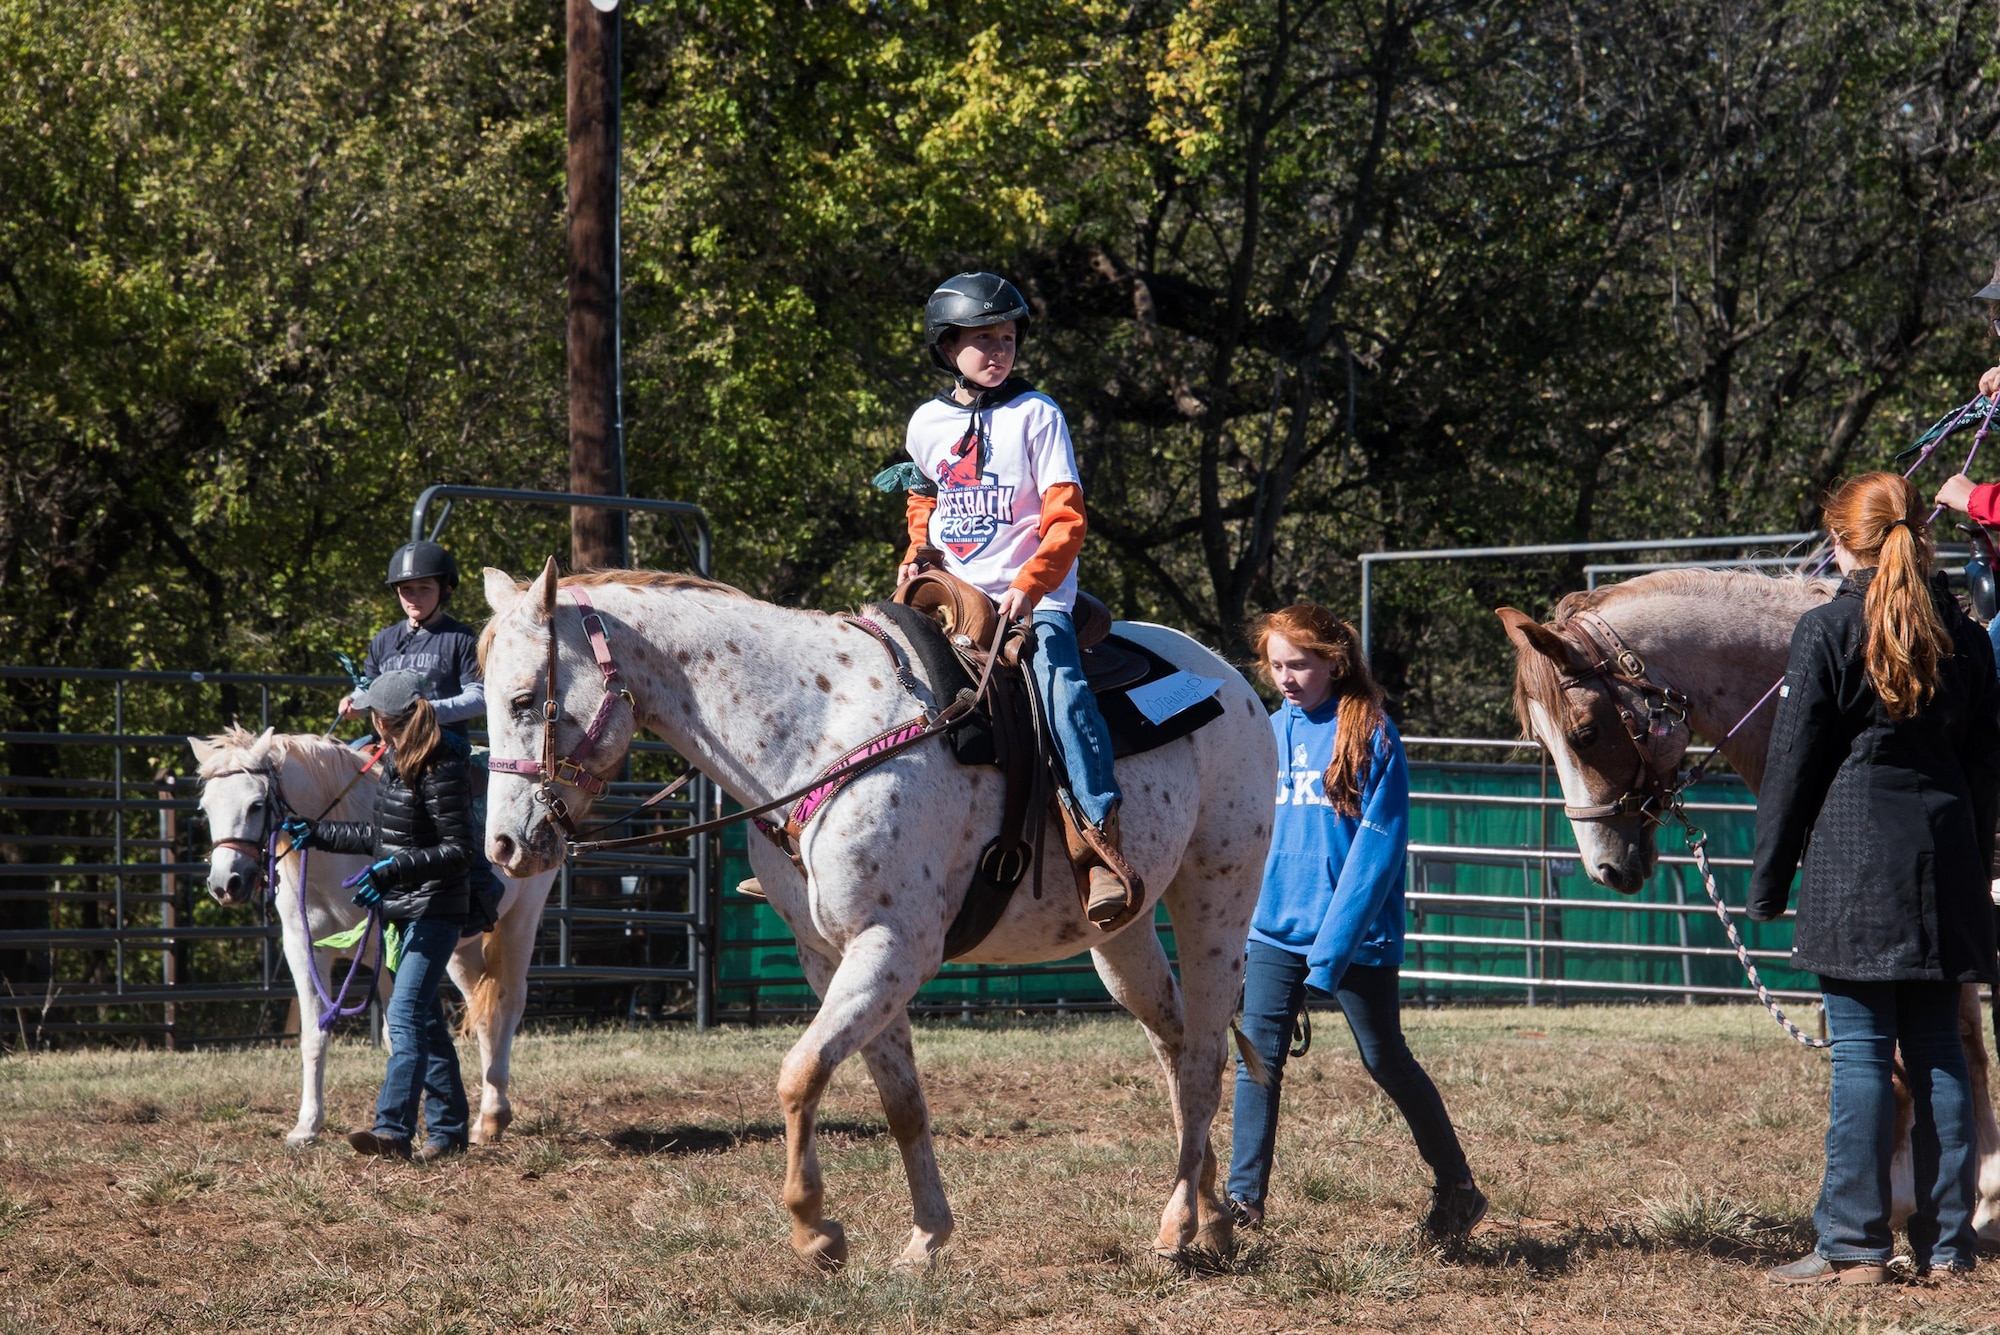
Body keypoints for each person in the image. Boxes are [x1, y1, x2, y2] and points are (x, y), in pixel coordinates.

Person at [1749, 472, 2000, 1286]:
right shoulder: (1968, 636)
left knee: (1859, 1053)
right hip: (1946, 862)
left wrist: (1768, 881)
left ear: (1839, 542)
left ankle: (1852, 1245)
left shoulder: (1825, 630)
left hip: (1855, 865)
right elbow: (1985, 769)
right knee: (1939, 1053)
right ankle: (1950, 1244)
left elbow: (1791, 768)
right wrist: (1978, 861)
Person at [1227, 604, 1485, 1240]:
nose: (1286, 678)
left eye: (1301, 665)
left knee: (1384, 1058)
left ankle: (1457, 1187)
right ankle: (1241, 1206)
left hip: (1353, 937)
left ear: (1334, 663)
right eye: (1276, 665)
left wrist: (1331, 952)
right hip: (1271, 932)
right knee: (1256, 1060)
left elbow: (1378, 852)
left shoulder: (1370, 733)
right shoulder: (1261, 732)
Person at [895, 271, 1138, 927]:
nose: (998, 351)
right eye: (982, 340)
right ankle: (804, 835)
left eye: (1006, 338)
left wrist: (1031, 589)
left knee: (1060, 684)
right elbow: (925, 497)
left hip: (1032, 596)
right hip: (952, 591)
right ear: (948, 348)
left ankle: (1098, 845)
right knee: (866, 662)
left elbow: (1066, 519)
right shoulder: (927, 422)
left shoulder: (1039, 415)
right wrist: (918, 549)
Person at [283, 670, 475, 1162]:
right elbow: (378, 839)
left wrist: (393, 870)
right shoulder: (393, 763)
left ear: (385, 720)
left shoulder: (440, 768)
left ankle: (392, 1131)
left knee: (406, 1014)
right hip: (404, 909)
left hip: (435, 908)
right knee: (427, 1020)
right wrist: (317, 833)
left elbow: (458, 849)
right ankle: (450, 1131)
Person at [340, 541, 485, 743]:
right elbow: (368, 688)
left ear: (445, 590)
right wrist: (354, 703)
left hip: (440, 738)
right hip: (387, 740)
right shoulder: (383, 639)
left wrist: (426, 712)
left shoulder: (462, 638)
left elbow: (479, 698)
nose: (414, 598)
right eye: (406, 589)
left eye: (424, 588)